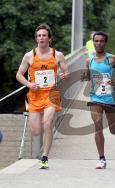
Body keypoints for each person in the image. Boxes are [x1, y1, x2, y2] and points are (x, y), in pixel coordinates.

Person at [16, 23, 68, 169]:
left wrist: (64, 75)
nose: (41, 38)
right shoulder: (29, 56)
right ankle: (43, 151)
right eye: (39, 36)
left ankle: (44, 156)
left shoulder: (57, 55)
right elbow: (19, 75)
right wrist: (29, 84)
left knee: (47, 123)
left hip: (52, 93)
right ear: (36, 38)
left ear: (49, 38)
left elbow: (66, 73)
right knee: (36, 131)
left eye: (44, 35)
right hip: (34, 95)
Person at [81, 31, 115, 169]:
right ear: (93, 42)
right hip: (95, 97)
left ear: (105, 43)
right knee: (97, 124)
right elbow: (88, 75)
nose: (98, 43)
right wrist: (84, 77)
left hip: (110, 98)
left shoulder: (112, 59)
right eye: (96, 41)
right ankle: (102, 158)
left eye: (101, 41)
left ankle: (114, 122)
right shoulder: (89, 60)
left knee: (114, 129)